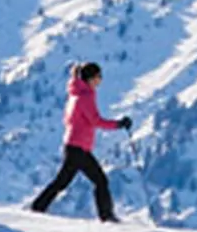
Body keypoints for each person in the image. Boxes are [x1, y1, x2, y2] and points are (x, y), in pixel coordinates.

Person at [27, 60, 130, 221]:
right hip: (78, 148)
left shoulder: (76, 94)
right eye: (99, 76)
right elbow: (95, 121)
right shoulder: (85, 96)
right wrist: (118, 124)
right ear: (91, 78)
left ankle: (38, 207)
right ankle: (106, 216)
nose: (100, 80)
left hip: (76, 146)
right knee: (98, 180)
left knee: (64, 182)